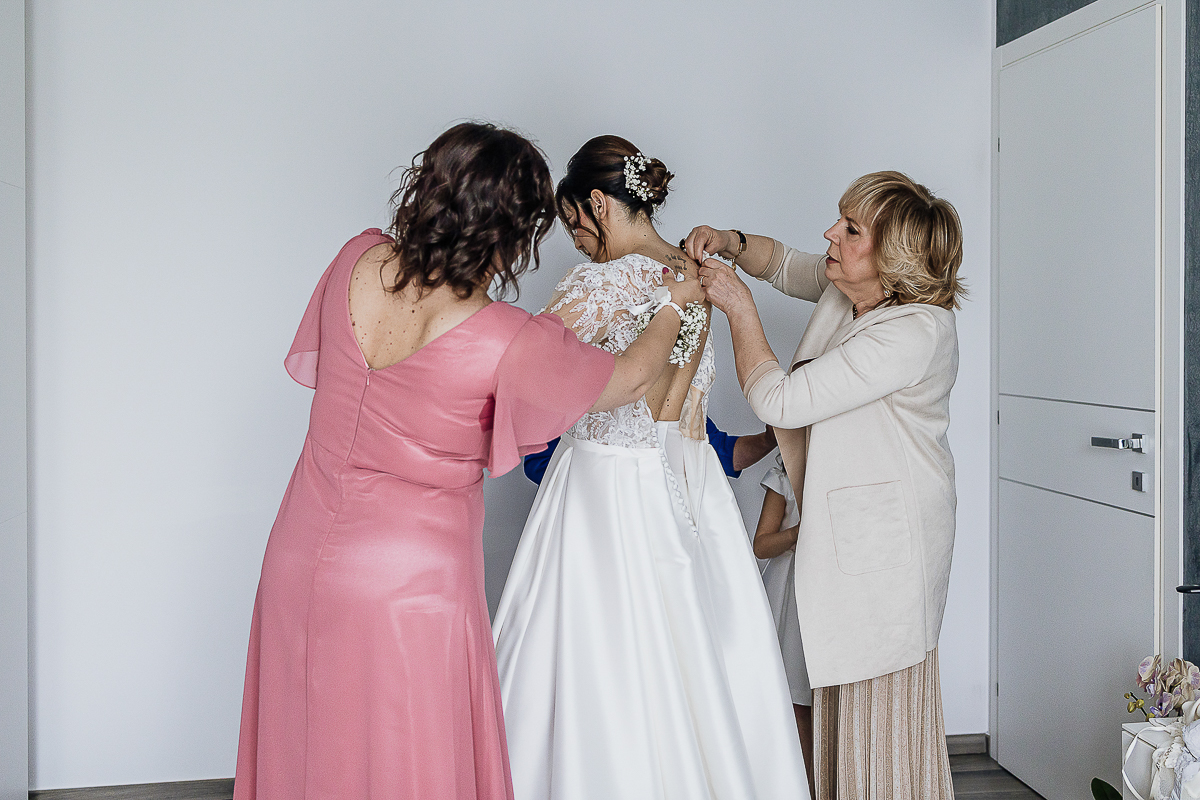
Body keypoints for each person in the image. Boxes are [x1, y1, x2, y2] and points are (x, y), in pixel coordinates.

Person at [232, 122, 702, 800]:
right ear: (513, 232)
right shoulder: (507, 339)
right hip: (411, 589)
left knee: (308, 750)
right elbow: (629, 378)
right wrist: (671, 306)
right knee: (406, 769)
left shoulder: (354, 260)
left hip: (298, 555)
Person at [493, 135, 810, 800]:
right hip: (690, 488)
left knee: (600, 662)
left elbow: (523, 370)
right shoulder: (697, 276)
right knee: (697, 659)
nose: (578, 244)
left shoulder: (602, 282)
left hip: (606, 485)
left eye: (576, 224)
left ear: (599, 203)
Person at [686, 170, 964, 800]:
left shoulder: (913, 332)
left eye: (850, 228)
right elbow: (788, 265)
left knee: (878, 713)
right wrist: (731, 242)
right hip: (851, 533)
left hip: (890, 541)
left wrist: (739, 309)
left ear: (893, 257)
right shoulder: (853, 291)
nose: (830, 234)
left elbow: (780, 401)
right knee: (839, 708)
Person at [753, 453, 814, 797]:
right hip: (791, 596)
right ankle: (803, 788)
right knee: (797, 702)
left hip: (835, 593)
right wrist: (797, 533)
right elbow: (762, 544)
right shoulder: (784, 474)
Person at [521, 419, 776, 484]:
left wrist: (769, 439)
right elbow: (538, 465)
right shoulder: (576, 387)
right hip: (591, 523)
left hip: (663, 529)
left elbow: (722, 454)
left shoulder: (679, 399)